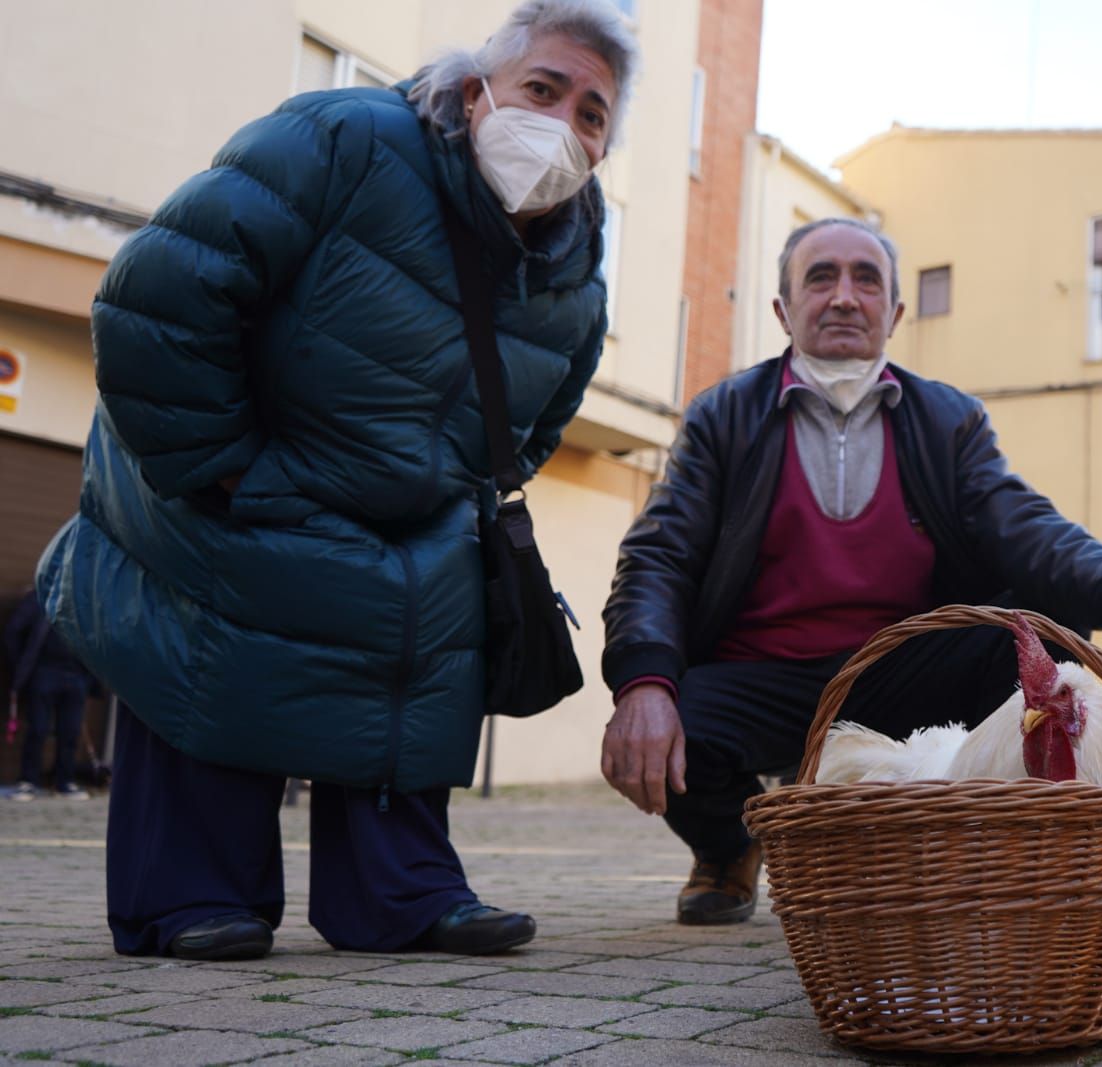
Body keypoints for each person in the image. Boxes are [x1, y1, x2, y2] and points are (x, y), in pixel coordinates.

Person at [34, 0, 637, 961]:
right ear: (479, 90)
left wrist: (451, 489)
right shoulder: (347, 137)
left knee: (432, 591)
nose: (564, 123)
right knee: (220, 631)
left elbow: (538, 420)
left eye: (593, 112)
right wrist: (224, 468)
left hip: (394, 498)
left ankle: (403, 889)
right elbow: (162, 292)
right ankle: (193, 888)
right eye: (543, 88)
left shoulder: (577, 267)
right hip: (241, 467)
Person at [600, 217, 1102, 925]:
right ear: (782, 309)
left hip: (901, 674)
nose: (845, 297)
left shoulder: (948, 418)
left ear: (895, 311)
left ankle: (989, 864)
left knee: (1044, 631)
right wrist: (642, 680)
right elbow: (659, 553)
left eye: (867, 279)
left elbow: (1024, 524)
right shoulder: (722, 416)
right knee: (672, 719)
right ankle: (728, 848)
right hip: (761, 675)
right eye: (820, 277)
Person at [4, 588, 97, 801]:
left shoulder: (84, 601)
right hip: (44, 672)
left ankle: (64, 781)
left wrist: (89, 676)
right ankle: (29, 781)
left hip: (76, 676)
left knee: (70, 731)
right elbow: (13, 631)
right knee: (38, 728)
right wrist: (22, 667)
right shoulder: (40, 597)